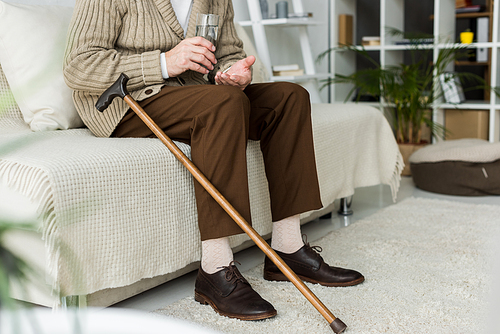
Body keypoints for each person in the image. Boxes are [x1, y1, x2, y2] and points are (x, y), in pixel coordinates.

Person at [63, 0, 364, 321]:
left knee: (289, 97)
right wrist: (164, 63)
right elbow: (79, 65)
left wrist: (230, 72)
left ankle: (287, 250)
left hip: (202, 95)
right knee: (222, 105)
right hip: (127, 101)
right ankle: (215, 270)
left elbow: (229, 52)